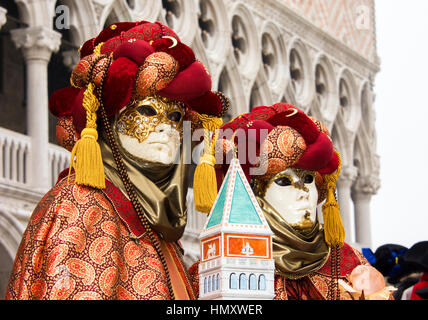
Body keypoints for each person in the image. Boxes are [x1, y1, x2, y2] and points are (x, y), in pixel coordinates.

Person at [5, 21, 228, 300]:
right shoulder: (82, 206)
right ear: (108, 121)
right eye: (147, 111)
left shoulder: (152, 221)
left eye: (174, 117)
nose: (166, 127)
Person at [189, 103, 387, 300]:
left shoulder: (347, 263)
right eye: (284, 181)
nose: (303, 192)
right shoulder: (219, 267)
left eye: (309, 179)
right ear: (254, 194)